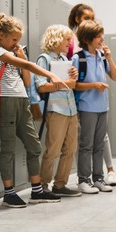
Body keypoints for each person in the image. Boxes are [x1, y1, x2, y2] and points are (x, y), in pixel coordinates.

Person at [0, 13, 64, 208]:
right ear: (1, 35)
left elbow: (26, 80)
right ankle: (8, 194)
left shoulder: (13, 54)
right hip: (6, 101)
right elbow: (25, 65)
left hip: (21, 101)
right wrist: (49, 73)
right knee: (7, 148)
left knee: (34, 145)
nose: (16, 43)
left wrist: (23, 56)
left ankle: (36, 190)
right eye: (14, 39)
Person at [67, 3, 116, 186]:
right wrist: (94, 85)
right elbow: (74, 85)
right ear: (88, 39)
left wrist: (110, 58)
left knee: (99, 145)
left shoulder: (102, 56)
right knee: (86, 146)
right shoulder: (77, 58)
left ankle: (98, 179)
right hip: (87, 107)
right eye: (98, 36)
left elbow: (115, 76)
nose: (102, 39)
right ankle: (83, 180)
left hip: (102, 107)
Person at [35, 24, 81, 197]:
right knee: (53, 150)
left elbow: (71, 85)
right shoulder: (44, 59)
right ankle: (43, 185)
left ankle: (60, 185)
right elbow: (41, 86)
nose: (70, 43)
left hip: (71, 110)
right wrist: (65, 84)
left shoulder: (64, 60)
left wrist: (72, 78)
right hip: (56, 111)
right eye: (67, 39)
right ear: (56, 39)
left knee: (70, 148)